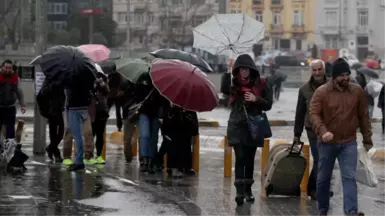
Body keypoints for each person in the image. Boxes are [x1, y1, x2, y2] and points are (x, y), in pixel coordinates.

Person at [309, 58, 372, 216]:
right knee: (323, 178)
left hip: (348, 142)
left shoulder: (357, 91)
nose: (346, 78)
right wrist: (323, 131)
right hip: (327, 143)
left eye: (347, 74)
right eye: (342, 75)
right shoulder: (322, 92)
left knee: (349, 177)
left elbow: (363, 116)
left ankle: (351, 211)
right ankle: (323, 209)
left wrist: (367, 138)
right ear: (334, 76)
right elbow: (314, 114)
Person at [226, 54, 273, 205]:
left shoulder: (261, 84)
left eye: (246, 69)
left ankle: (248, 189)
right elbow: (224, 98)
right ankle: (240, 191)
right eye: (241, 69)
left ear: (251, 70)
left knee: (249, 158)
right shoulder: (233, 83)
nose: (244, 72)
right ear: (237, 71)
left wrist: (255, 99)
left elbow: (268, 104)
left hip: (253, 126)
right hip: (236, 125)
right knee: (239, 157)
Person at [293, 59, 330, 200]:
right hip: (312, 128)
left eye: (319, 69)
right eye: (314, 70)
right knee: (320, 158)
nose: (317, 73)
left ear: (324, 69)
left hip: (329, 129)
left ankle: (320, 188)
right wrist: (297, 134)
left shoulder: (332, 86)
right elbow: (299, 113)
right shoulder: (304, 90)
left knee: (327, 159)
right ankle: (313, 189)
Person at [65, 66, 96, 171]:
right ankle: (80, 159)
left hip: (74, 108)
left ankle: (79, 161)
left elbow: (68, 89)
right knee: (82, 135)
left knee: (77, 136)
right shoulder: (88, 75)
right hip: (84, 107)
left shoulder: (71, 76)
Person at [161, 104, 198, 177]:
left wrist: (195, 130)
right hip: (174, 126)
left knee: (186, 145)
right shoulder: (171, 107)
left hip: (186, 126)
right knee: (173, 146)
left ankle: (185, 166)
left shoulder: (190, 108)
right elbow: (167, 118)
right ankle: (173, 167)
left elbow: (194, 119)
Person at [38, 79, 65, 162]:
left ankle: (51, 148)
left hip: (59, 109)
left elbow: (62, 94)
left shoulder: (62, 79)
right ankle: (56, 153)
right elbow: (44, 92)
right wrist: (53, 85)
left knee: (61, 132)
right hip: (51, 109)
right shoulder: (48, 79)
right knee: (54, 132)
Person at [0, 59, 26, 139]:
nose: (8, 70)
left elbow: (19, 92)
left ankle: (8, 147)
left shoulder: (15, 78)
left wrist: (23, 105)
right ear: (2, 67)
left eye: (10, 68)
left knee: (10, 130)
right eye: (6, 67)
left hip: (10, 107)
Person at [89, 72, 109, 164]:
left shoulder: (103, 82)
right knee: (90, 134)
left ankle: (99, 155)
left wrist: (101, 83)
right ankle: (89, 155)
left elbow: (107, 91)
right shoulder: (88, 82)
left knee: (100, 135)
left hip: (102, 112)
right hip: (91, 113)